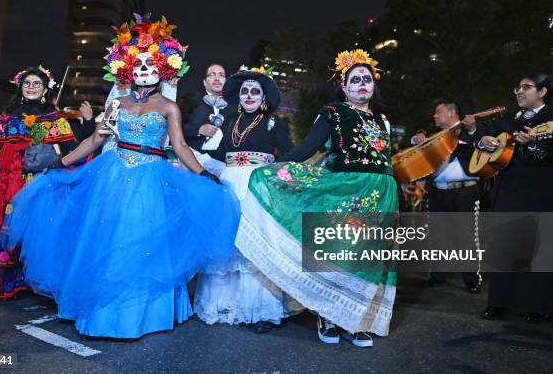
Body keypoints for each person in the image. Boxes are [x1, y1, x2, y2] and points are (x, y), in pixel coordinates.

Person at [0, 14, 241, 339]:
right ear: (127, 70)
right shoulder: (118, 104)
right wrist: (61, 163)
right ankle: (103, 314)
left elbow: (181, 146)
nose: (143, 72)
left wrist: (202, 175)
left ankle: (143, 317)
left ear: (162, 71)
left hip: (152, 178)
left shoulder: (170, 107)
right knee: (108, 238)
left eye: (150, 66)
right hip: (114, 176)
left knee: (146, 242)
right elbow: (94, 139)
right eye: (138, 66)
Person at [231, 50, 398, 347]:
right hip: (343, 190)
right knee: (337, 253)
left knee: (365, 258)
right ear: (344, 87)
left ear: (374, 86)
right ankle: (328, 315)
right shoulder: (333, 113)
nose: (361, 84)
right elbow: (308, 146)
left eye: (367, 79)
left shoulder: (383, 120)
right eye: (354, 79)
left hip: (380, 194)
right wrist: (273, 170)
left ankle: (357, 321)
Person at [0, 65, 95, 299]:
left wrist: (90, 125)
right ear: (20, 87)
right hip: (6, 182)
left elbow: (73, 150)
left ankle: (34, 282)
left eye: (37, 84)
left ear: (45, 89)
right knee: (8, 231)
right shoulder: (4, 119)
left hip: (38, 185)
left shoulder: (52, 119)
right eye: (27, 83)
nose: (31, 87)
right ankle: (10, 284)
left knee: (34, 232)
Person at [194, 68, 301, 333]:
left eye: (255, 91)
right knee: (228, 245)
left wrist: (276, 177)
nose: (250, 95)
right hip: (230, 186)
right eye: (245, 91)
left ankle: (260, 311)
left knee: (256, 246)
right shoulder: (230, 122)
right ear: (239, 97)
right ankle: (225, 306)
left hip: (258, 188)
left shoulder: (274, 122)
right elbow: (219, 155)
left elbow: (287, 155)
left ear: (263, 96)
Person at [465, 73, 553, 322]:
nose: (519, 92)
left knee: (538, 248)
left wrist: (534, 144)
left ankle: (539, 306)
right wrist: (484, 140)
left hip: (540, 191)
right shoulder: (509, 118)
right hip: (508, 190)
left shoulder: (550, 118)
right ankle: (500, 302)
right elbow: (482, 137)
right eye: (517, 88)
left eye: (526, 87)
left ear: (543, 91)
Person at [410, 100, 482, 293]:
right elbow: (421, 160)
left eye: (438, 112)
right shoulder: (436, 138)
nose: (434, 116)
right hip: (438, 192)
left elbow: (481, 146)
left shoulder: (470, 132)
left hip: (464, 191)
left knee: (467, 236)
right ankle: (437, 274)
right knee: (437, 234)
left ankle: (472, 278)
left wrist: (471, 129)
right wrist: (416, 139)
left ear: (452, 113)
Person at [183, 64, 235, 175]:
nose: (217, 79)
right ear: (204, 82)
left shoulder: (234, 108)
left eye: (221, 75)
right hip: (192, 166)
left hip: (222, 169)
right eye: (212, 75)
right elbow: (174, 128)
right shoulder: (190, 99)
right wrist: (198, 129)